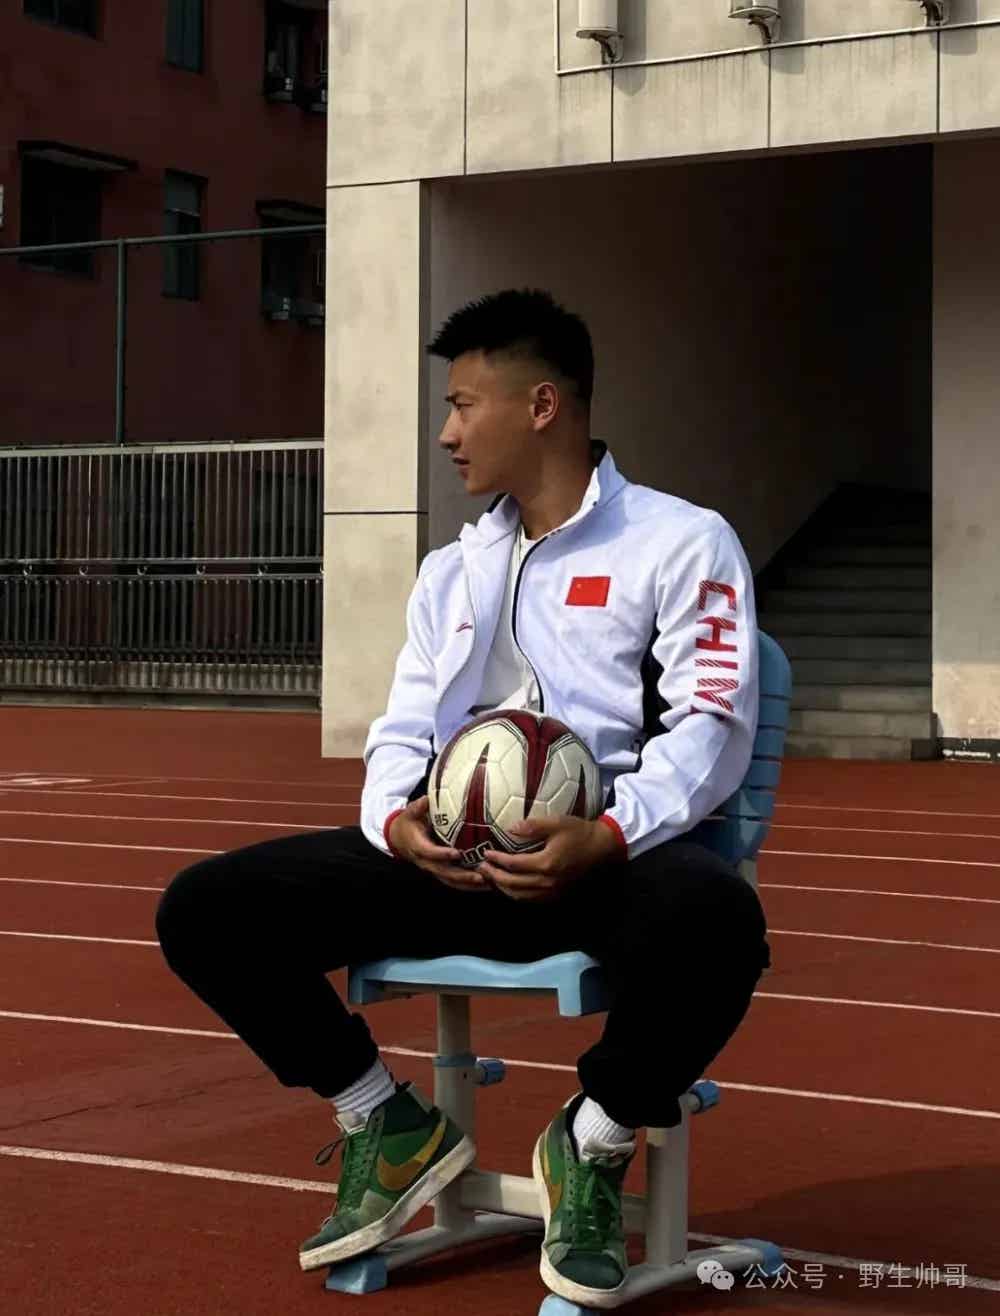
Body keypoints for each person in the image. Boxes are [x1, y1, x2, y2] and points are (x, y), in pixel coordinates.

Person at [156, 288, 770, 1308]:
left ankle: (593, 1138)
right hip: (445, 866)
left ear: (541, 405)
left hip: (596, 867)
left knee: (719, 920)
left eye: (462, 405)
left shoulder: (679, 541)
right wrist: (395, 822)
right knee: (205, 908)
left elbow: (711, 725)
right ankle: (382, 1119)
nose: (446, 433)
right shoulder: (453, 568)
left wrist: (607, 833)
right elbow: (401, 730)